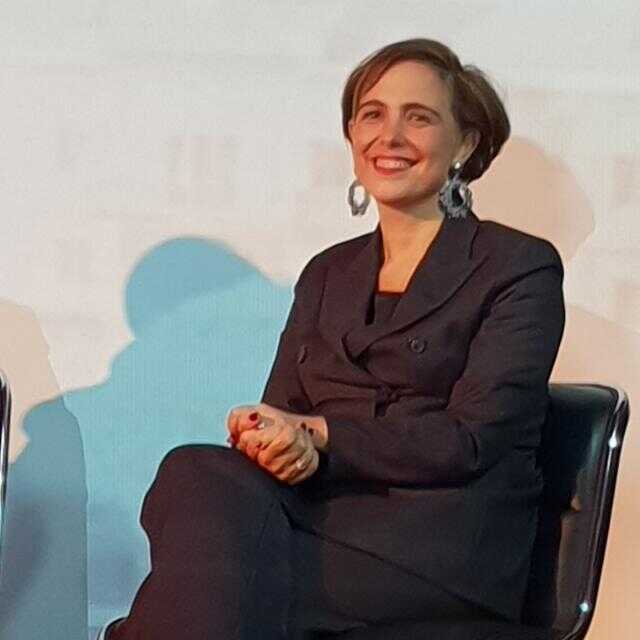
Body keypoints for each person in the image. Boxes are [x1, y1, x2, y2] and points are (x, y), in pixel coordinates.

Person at [102, 38, 565, 639]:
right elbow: (284, 414)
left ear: (465, 144)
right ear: (351, 136)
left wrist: (320, 435)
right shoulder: (327, 272)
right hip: (315, 524)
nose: (389, 136)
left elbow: (470, 440)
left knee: (193, 600)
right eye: (372, 115)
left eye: (418, 118)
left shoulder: (517, 265)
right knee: (195, 470)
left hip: (437, 550)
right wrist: (274, 441)